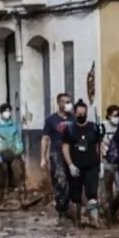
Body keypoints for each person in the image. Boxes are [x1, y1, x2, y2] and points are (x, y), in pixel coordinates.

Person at [61, 100, 104, 227]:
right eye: (79, 114)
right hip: (76, 166)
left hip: (91, 165)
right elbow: (65, 147)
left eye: (83, 113)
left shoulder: (94, 128)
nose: (81, 116)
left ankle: (94, 220)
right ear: (75, 114)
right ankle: (77, 220)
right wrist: (70, 164)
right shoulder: (69, 129)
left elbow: (98, 146)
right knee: (75, 195)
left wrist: (100, 163)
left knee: (92, 194)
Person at [40, 94, 72, 222]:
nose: (68, 104)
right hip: (56, 153)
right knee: (60, 179)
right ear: (59, 104)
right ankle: (61, 209)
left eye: (70, 102)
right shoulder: (51, 120)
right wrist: (43, 157)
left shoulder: (74, 119)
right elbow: (45, 138)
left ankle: (66, 206)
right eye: (66, 102)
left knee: (71, 181)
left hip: (71, 154)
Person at [0, 104, 26, 206]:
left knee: (18, 173)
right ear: (1, 113)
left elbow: (18, 139)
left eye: (9, 111)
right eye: (6, 111)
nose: (8, 113)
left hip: (13, 153)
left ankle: (20, 199)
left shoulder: (13, 125)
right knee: (0, 176)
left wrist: (19, 151)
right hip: (1, 154)